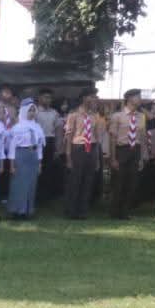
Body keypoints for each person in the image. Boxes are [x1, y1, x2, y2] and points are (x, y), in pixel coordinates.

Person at [61, 89, 103, 220]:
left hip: (92, 147)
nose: (95, 99)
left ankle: (83, 210)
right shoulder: (74, 115)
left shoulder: (95, 116)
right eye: (92, 97)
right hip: (78, 148)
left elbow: (97, 136)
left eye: (95, 97)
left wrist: (97, 157)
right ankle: (71, 210)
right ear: (84, 98)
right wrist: (68, 156)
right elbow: (69, 136)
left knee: (88, 180)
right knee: (75, 180)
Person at [106, 89, 145, 220]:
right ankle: (114, 211)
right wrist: (113, 158)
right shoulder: (117, 116)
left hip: (135, 149)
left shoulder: (141, 116)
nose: (140, 99)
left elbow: (142, 137)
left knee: (132, 182)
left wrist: (141, 157)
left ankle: (125, 211)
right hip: (122, 149)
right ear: (129, 99)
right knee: (118, 182)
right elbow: (112, 138)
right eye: (137, 97)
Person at [5, 99, 44, 220]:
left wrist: (39, 163)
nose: (32, 113)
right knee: (19, 183)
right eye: (29, 110)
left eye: (33, 110)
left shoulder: (37, 127)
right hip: (21, 155)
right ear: (23, 111)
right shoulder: (17, 128)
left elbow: (40, 146)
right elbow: (12, 147)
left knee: (31, 184)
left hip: (33, 156)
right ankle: (16, 210)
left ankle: (27, 210)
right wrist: (12, 164)